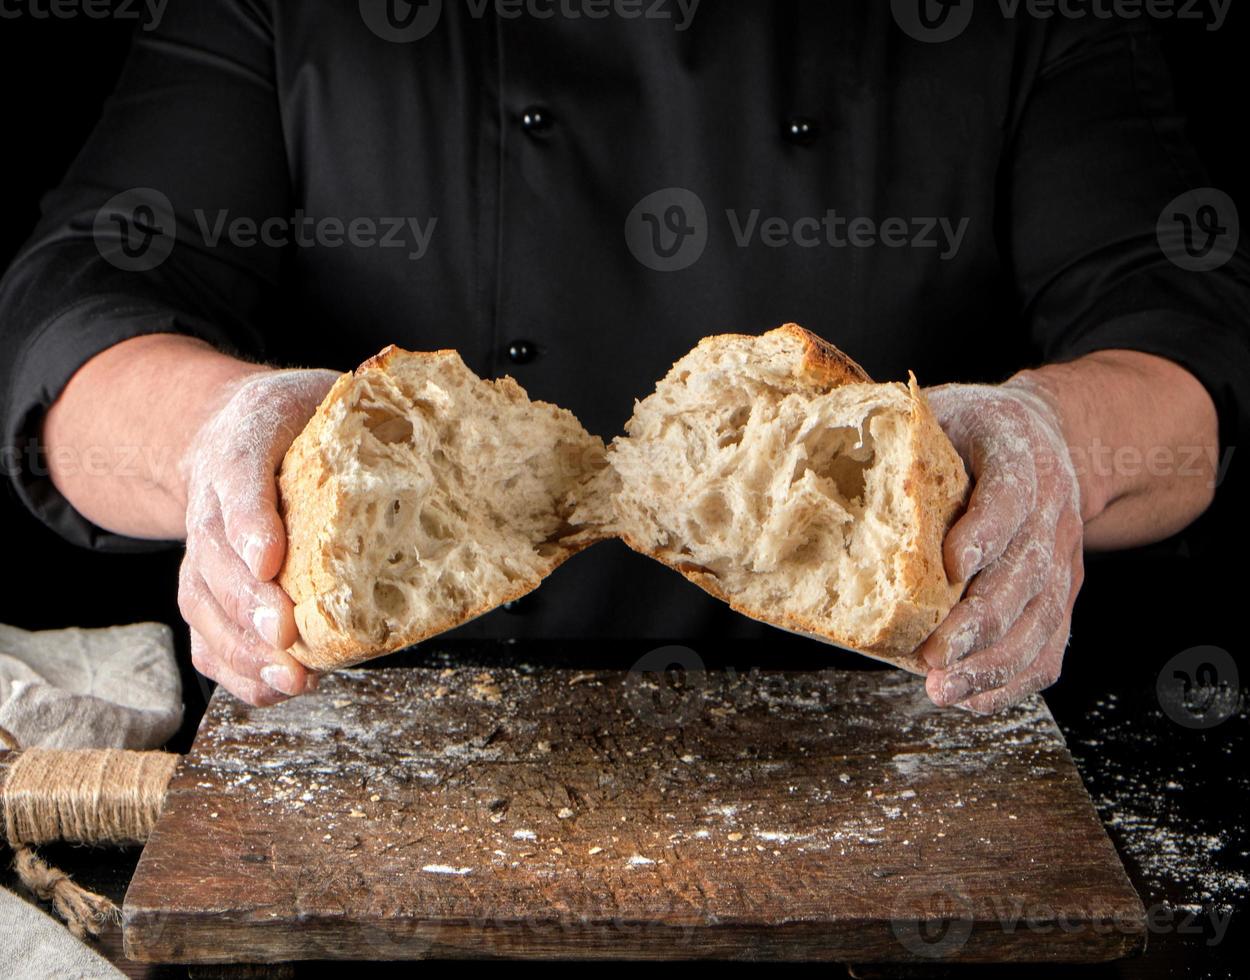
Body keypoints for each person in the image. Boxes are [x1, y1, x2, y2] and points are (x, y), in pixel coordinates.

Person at [1, 2, 1245, 713]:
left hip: (899, 743)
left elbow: (1187, 330)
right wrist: (218, 431)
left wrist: (1054, 444)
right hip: (398, 776)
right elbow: (75, 314)